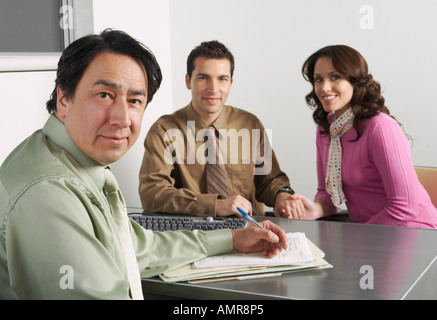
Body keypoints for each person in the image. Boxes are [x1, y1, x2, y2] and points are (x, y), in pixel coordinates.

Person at [0, 29, 288, 300]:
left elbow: (137, 248)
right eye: (104, 95)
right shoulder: (50, 191)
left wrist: (233, 238)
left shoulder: (77, 163)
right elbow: (153, 192)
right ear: (63, 99)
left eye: (135, 100)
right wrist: (214, 205)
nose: (122, 118)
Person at [139, 40, 303, 219]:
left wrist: (282, 195)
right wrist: (215, 205)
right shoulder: (164, 130)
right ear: (188, 81)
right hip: (193, 236)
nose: (213, 89)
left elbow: (270, 180)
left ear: (230, 82)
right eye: (203, 78)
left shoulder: (249, 124)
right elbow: (153, 193)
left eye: (222, 79)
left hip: (249, 230)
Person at [295, 44, 437, 229]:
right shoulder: (327, 129)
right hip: (371, 234)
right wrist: (314, 210)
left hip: (414, 233)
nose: (324, 88)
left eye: (335, 77)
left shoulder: (380, 127)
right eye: (318, 79)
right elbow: (326, 194)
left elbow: (404, 208)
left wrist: (359, 238)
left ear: (355, 80)